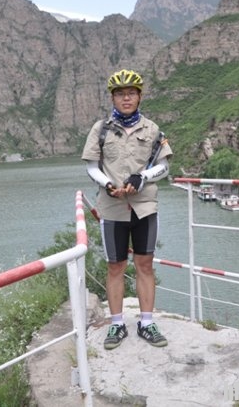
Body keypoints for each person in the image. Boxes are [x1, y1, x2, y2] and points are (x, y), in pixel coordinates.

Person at [81, 68, 172, 349]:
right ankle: (117, 324)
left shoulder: (152, 129)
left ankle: (147, 323)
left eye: (131, 93)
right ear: (112, 98)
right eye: (120, 94)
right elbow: (91, 167)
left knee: (145, 264)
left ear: (140, 96)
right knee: (115, 266)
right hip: (112, 207)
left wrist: (141, 177)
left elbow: (163, 166)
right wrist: (107, 184)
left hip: (144, 207)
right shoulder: (100, 130)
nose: (126, 98)